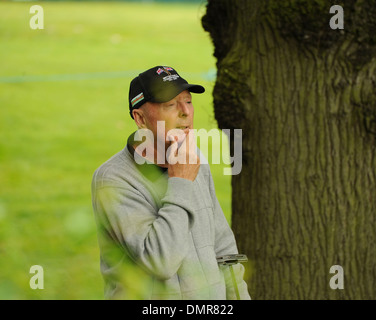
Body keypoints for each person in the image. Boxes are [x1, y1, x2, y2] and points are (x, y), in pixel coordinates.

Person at [91, 66, 251, 300]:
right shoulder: (113, 179)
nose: (186, 112)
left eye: (188, 101)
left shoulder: (193, 158)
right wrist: (181, 182)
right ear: (141, 118)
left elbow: (224, 249)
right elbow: (160, 262)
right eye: (171, 105)